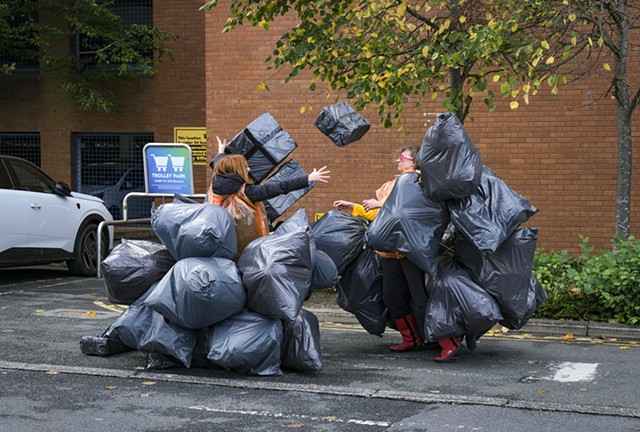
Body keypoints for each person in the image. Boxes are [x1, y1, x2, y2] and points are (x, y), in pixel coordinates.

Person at [333, 146, 462, 363]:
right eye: (398, 157)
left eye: (403, 157)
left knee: (421, 299)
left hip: (411, 250)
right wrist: (354, 207)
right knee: (392, 297)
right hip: (389, 252)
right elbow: (384, 218)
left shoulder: (419, 181)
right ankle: (412, 339)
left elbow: (408, 208)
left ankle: (449, 340)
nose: (398, 161)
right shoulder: (393, 183)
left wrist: (381, 203)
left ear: (415, 162)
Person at [209, 136, 330, 256]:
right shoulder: (247, 193)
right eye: (245, 166)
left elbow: (218, 164)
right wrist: (308, 179)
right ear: (237, 170)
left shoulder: (216, 183)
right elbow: (280, 187)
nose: (249, 169)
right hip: (243, 247)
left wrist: (220, 152)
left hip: (220, 241)